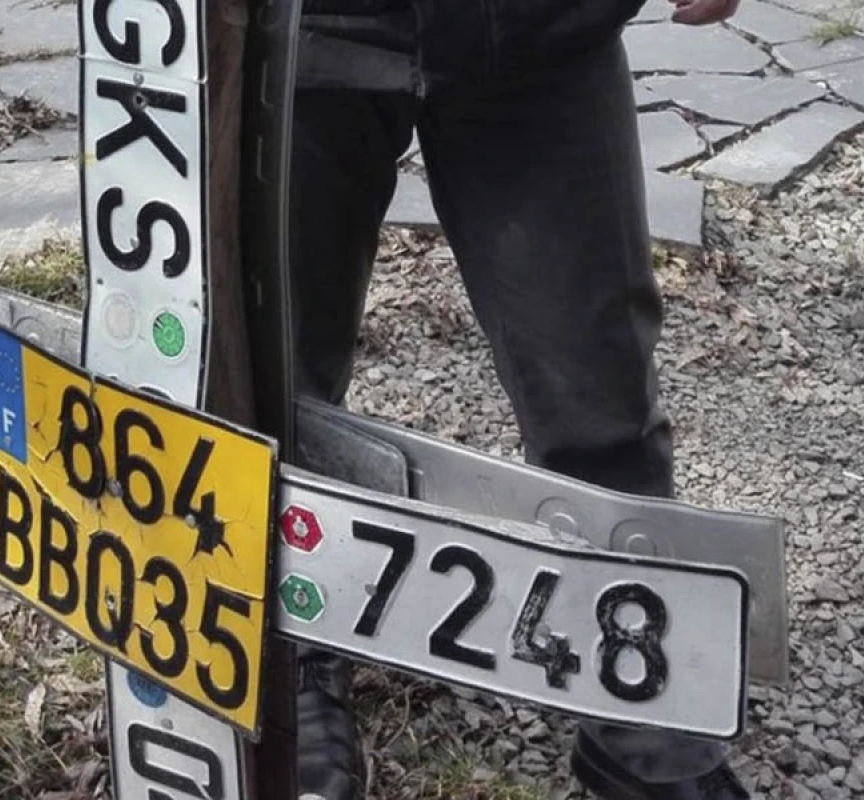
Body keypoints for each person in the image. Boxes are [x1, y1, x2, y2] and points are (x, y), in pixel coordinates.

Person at [286, 0, 748, 798]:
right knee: (270, 384)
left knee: (596, 396)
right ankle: (284, 644)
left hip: (539, 28)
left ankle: (637, 714)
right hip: (291, 34)